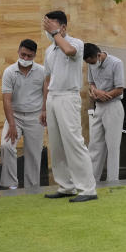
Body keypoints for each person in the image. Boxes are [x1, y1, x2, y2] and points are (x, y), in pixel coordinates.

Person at [41, 10, 97, 202]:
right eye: (46, 27)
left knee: (74, 142)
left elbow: (70, 52)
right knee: (56, 145)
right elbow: (47, 80)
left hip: (68, 97)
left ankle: (88, 189)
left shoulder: (76, 43)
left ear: (63, 27)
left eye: (52, 27)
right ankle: (66, 186)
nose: (48, 31)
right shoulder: (49, 51)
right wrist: (43, 107)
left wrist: (56, 34)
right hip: (52, 98)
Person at [0, 39, 47, 190]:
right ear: (18, 52)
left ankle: (32, 188)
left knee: (34, 153)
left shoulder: (42, 71)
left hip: (35, 117)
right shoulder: (9, 72)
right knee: (6, 145)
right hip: (15, 116)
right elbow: (6, 100)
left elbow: (46, 92)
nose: (26, 59)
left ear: (34, 55)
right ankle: (10, 185)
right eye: (23, 54)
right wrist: (12, 124)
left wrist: (44, 111)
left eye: (29, 56)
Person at [84, 43, 125, 182]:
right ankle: (91, 181)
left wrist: (104, 94)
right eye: (88, 63)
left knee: (113, 147)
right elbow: (91, 83)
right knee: (94, 144)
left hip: (113, 106)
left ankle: (112, 181)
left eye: (92, 61)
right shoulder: (90, 63)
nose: (91, 64)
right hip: (99, 107)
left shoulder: (116, 63)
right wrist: (95, 92)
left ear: (98, 55)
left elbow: (120, 89)